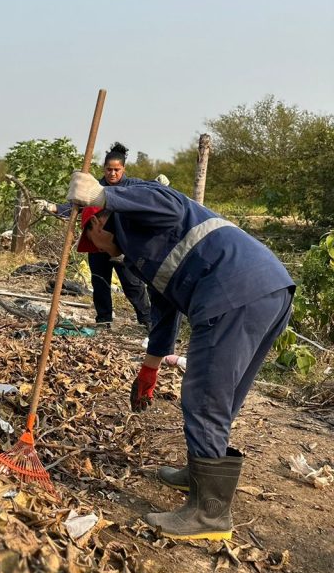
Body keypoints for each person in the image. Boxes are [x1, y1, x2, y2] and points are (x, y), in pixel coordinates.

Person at [67, 171, 294, 541]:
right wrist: (149, 369)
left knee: (204, 398)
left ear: (99, 223)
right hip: (266, 290)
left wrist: (103, 195)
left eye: (89, 239)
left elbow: (166, 200)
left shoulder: (141, 210)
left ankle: (210, 514)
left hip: (232, 291)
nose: (95, 250)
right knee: (224, 396)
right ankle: (201, 473)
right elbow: (165, 312)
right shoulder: (140, 252)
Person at [39, 142, 152, 329]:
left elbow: (152, 192)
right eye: (109, 169)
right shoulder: (94, 187)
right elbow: (75, 205)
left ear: (123, 169)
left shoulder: (133, 186)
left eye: (117, 170)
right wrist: (54, 207)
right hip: (98, 244)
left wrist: (160, 186)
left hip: (123, 245)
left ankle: (147, 320)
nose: (113, 174)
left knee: (132, 284)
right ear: (104, 169)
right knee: (100, 282)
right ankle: (104, 320)